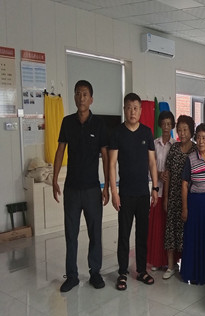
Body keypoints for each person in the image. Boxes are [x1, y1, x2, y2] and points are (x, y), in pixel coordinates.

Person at [53, 80, 109, 292]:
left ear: (91, 99)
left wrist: (106, 186)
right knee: (71, 234)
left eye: (85, 94)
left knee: (95, 233)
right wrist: (54, 179)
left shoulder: (99, 124)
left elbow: (105, 156)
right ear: (75, 97)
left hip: (92, 189)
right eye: (78, 93)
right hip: (72, 189)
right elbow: (60, 151)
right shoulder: (67, 122)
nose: (81, 97)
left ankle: (95, 272)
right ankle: (72, 276)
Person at [109, 93, 159, 291]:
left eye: (136, 108)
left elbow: (152, 163)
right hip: (125, 193)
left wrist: (155, 188)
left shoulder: (146, 133)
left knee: (142, 233)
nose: (132, 112)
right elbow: (112, 164)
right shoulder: (117, 133)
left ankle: (141, 270)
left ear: (140, 110)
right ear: (124, 109)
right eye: (129, 108)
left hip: (143, 193)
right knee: (124, 234)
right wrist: (114, 192)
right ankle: (122, 272)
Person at [181, 123, 205, 285]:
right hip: (194, 203)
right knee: (193, 239)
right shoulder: (190, 159)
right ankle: (191, 273)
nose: (201, 141)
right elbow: (184, 185)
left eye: (204, 138)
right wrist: (185, 208)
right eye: (199, 138)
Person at [163, 115, 197, 274]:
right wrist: (166, 197)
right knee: (171, 231)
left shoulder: (195, 150)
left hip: (190, 198)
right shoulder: (174, 148)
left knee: (187, 233)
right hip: (173, 196)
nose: (182, 133)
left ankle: (186, 265)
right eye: (180, 130)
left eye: (185, 130)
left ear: (191, 131)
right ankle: (171, 266)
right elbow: (168, 173)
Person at [147, 110, 176, 278]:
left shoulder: (175, 145)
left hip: (171, 192)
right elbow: (148, 168)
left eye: (169, 124)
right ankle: (157, 261)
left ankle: (169, 262)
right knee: (157, 227)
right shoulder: (154, 144)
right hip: (157, 191)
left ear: (172, 126)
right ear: (160, 125)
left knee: (168, 228)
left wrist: (169, 175)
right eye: (164, 124)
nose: (166, 127)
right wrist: (159, 174)